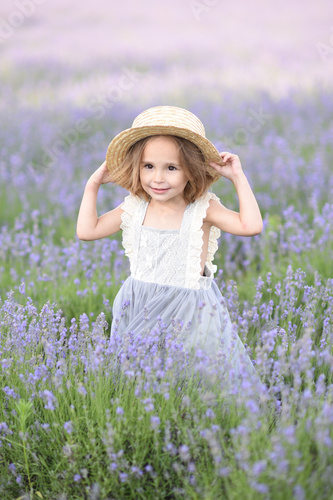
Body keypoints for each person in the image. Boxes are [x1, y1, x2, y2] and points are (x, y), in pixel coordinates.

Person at [76, 105, 263, 393]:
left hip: (191, 312)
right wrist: (92, 186)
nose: (158, 178)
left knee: (197, 382)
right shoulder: (134, 207)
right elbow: (86, 232)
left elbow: (250, 226)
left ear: (192, 170)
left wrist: (238, 178)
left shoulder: (202, 208)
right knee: (140, 381)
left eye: (171, 168)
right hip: (140, 306)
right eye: (148, 166)